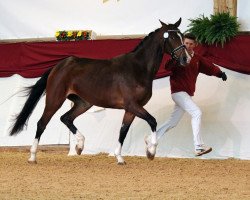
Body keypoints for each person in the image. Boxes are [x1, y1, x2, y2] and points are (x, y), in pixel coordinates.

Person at [145, 33, 227, 157]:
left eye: (191, 44)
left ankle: (151, 138)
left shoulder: (197, 59)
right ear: (183, 42)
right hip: (178, 92)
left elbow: (209, 67)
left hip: (186, 94)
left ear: (195, 45)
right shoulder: (179, 56)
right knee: (197, 113)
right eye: (186, 43)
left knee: (172, 122)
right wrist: (174, 59)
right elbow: (168, 66)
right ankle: (199, 147)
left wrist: (220, 73)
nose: (188, 45)